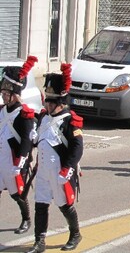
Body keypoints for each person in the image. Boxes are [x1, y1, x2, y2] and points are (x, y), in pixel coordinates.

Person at [28, 63, 84, 252]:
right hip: (43, 171)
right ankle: (39, 241)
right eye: (47, 101)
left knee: (65, 205)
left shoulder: (70, 121)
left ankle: (75, 234)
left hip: (60, 172)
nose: (48, 105)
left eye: (52, 102)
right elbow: (41, 140)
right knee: (41, 205)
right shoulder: (44, 117)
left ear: (60, 102)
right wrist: (33, 140)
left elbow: (77, 148)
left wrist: (67, 169)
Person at [0, 56, 37, 235]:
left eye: (7, 93)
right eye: (3, 93)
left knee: (18, 195)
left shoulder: (24, 115)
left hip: (14, 161)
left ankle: (26, 219)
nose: (3, 95)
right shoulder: (1, 110)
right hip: (0, 158)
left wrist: (19, 164)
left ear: (15, 94)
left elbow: (27, 142)